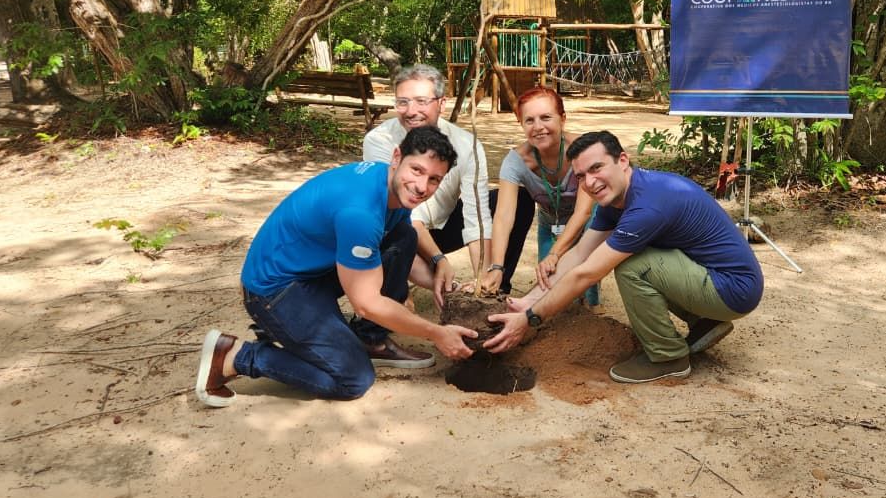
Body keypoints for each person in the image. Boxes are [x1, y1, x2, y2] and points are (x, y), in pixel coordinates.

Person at [195, 126, 477, 408]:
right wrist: (436, 333)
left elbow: (397, 254)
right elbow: (366, 303)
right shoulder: (361, 213)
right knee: (353, 379)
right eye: (416, 170)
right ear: (396, 157)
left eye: (434, 179)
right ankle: (237, 355)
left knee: (405, 236)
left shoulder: (392, 188)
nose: (422, 186)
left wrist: (447, 286)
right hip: (273, 292)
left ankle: (369, 340)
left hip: (312, 270)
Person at [484, 131, 763, 384]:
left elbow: (588, 273)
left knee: (631, 264)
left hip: (733, 289)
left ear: (623, 161)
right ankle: (704, 322)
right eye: (580, 176)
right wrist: (528, 301)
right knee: (630, 255)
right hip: (710, 275)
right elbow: (581, 252)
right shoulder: (617, 198)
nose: (590, 183)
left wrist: (531, 318)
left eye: (597, 168)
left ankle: (668, 357)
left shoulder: (647, 206)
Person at [362, 64, 534, 296]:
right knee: (389, 228)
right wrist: (439, 259)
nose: (411, 110)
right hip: (400, 231)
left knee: (520, 200)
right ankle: (389, 299)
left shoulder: (466, 144)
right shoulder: (380, 141)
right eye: (403, 102)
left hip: (443, 227)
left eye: (421, 101)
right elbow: (407, 214)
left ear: (441, 104)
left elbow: (477, 217)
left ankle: (494, 288)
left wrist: (481, 277)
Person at [478, 86, 599, 306]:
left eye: (546, 117)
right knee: (549, 284)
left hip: (589, 218)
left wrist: (556, 254)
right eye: (529, 120)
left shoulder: (584, 150)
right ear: (521, 123)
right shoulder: (515, 162)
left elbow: (584, 212)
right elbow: (504, 216)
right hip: (550, 221)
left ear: (562, 119)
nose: (538, 127)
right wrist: (497, 266)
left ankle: (592, 305)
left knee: (584, 280)